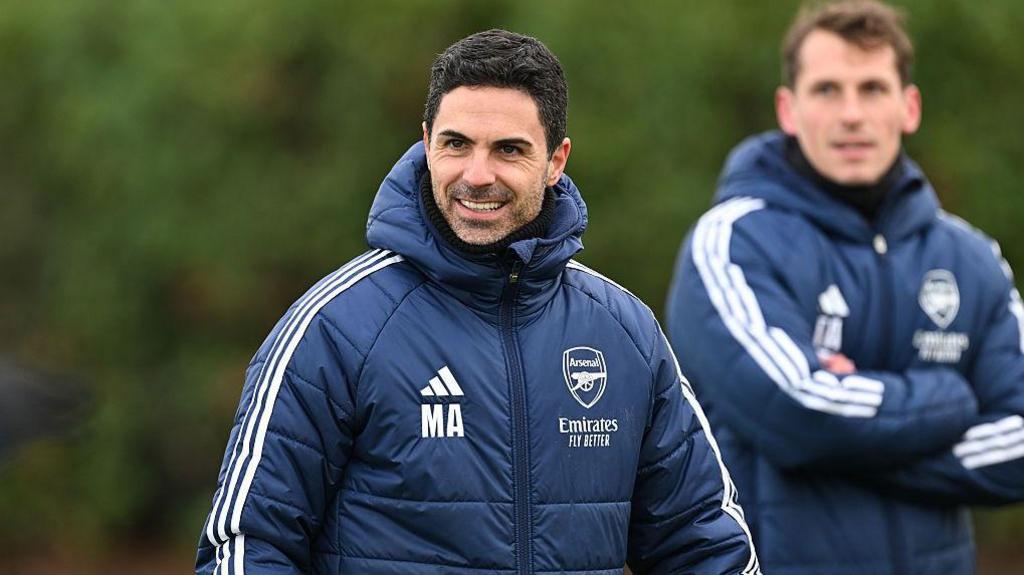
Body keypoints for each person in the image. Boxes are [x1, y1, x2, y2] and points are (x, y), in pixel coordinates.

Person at [197, 29, 759, 575]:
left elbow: (704, 545)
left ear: (556, 160)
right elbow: (248, 547)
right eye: (456, 144)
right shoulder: (336, 327)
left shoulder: (624, 331)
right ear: (426, 142)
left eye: (509, 150)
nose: (477, 174)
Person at [667, 1, 1024, 573]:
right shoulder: (733, 243)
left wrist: (843, 439)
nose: (851, 114)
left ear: (909, 107)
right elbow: (800, 411)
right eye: (828, 90)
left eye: (873, 89)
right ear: (789, 109)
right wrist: (948, 398)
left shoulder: (970, 258)